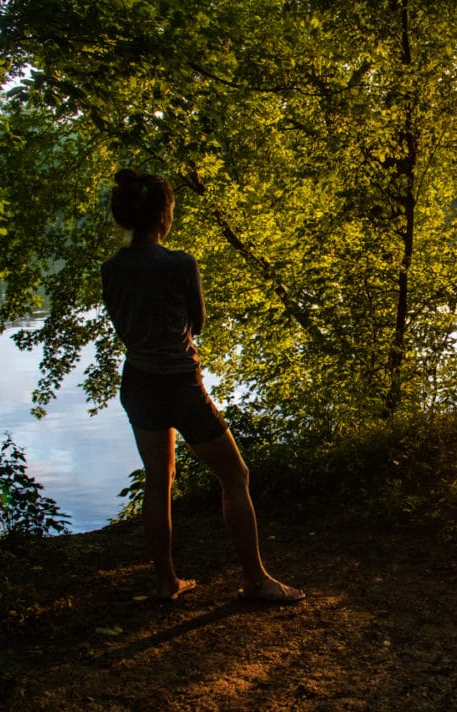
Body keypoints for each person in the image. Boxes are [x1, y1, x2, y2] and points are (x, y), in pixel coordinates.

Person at [101, 168, 305, 604]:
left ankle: (165, 582)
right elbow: (199, 321)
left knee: (159, 481)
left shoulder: (112, 268)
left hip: (137, 381)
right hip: (179, 382)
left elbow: (122, 325)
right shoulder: (179, 263)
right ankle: (256, 580)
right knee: (235, 474)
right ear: (162, 216)